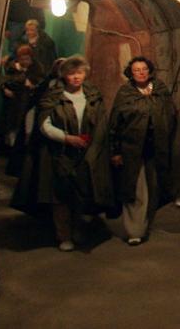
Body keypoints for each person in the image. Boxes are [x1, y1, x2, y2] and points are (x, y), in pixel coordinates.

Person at [14, 56, 114, 251]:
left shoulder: (93, 95)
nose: (76, 77)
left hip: (85, 152)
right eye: (71, 73)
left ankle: (78, 228)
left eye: (80, 73)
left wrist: (93, 146)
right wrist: (66, 138)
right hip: (59, 153)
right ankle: (64, 235)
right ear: (64, 75)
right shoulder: (54, 96)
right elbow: (44, 124)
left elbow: (101, 123)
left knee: (81, 193)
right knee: (59, 195)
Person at [107, 57, 180, 246]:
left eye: (144, 69)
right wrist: (115, 151)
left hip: (157, 148)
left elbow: (171, 118)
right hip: (132, 149)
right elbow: (115, 123)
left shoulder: (160, 91)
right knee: (135, 189)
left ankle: (145, 222)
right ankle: (135, 231)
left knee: (154, 188)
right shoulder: (125, 93)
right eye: (136, 70)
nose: (141, 72)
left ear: (149, 71)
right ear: (130, 73)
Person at [0, 45, 43, 152]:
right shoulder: (12, 67)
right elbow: (4, 81)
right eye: (22, 58)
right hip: (13, 102)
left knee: (26, 125)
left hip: (28, 102)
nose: (25, 61)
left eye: (27, 58)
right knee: (11, 125)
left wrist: (32, 85)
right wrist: (5, 89)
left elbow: (40, 82)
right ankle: (9, 147)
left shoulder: (36, 68)